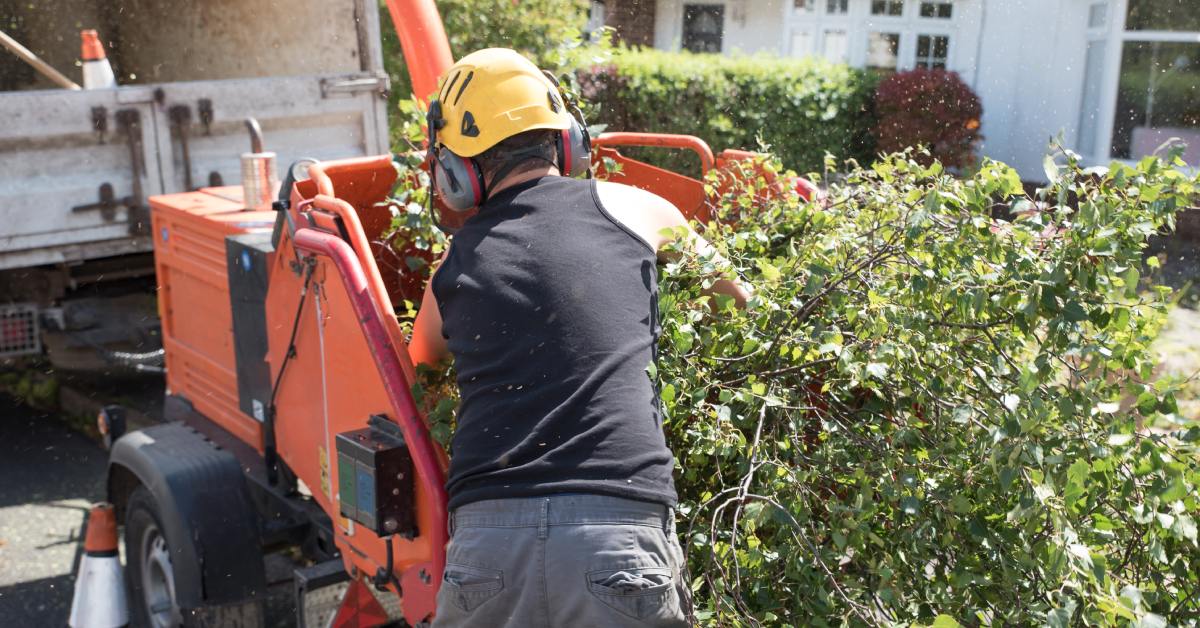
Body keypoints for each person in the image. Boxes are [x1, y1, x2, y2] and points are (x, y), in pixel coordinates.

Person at [408, 48, 750, 628]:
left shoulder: (453, 266)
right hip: (617, 539)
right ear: (568, 141)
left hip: (489, 549)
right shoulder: (639, 210)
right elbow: (736, 298)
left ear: (458, 174)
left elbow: (423, 358)